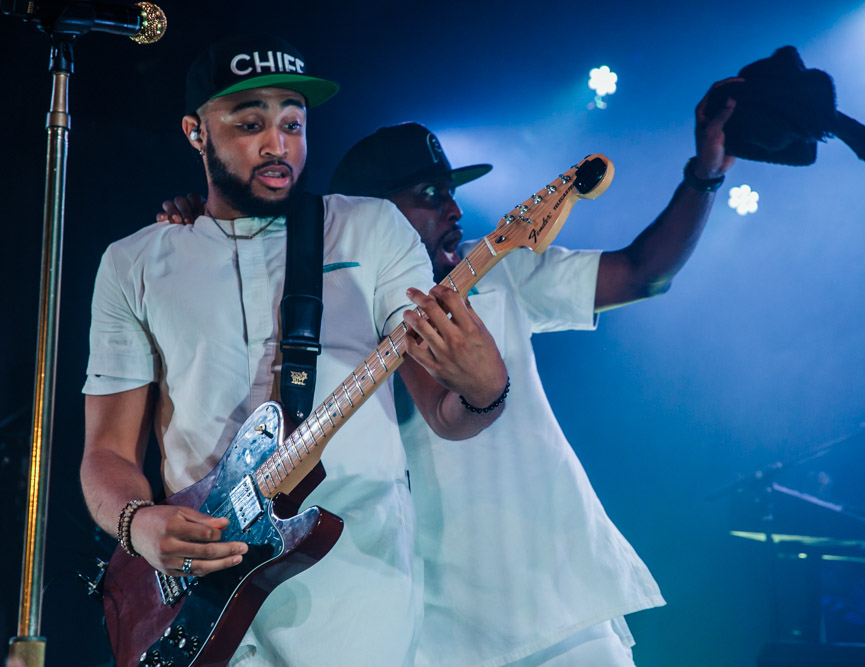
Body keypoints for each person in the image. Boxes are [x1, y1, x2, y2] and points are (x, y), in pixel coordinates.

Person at [160, 81, 737, 665]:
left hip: (556, 607)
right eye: (431, 193)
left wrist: (706, 172)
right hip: (423, 632)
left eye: (451, 192)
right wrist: (196, 223)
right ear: (371, 212)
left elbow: (642, 273)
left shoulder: (497, 276)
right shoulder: (324, 310)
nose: (454, 209)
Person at [81, 34, 509, 666]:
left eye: (292, 123)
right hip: (196, 595)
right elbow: (106, 452)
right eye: (250, 123)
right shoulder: (134, 261)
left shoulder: (369, 226)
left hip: (353, 587)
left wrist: (484, 390)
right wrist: (137, 523)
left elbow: (448, 413)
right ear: (196, 133)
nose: (277, 145)